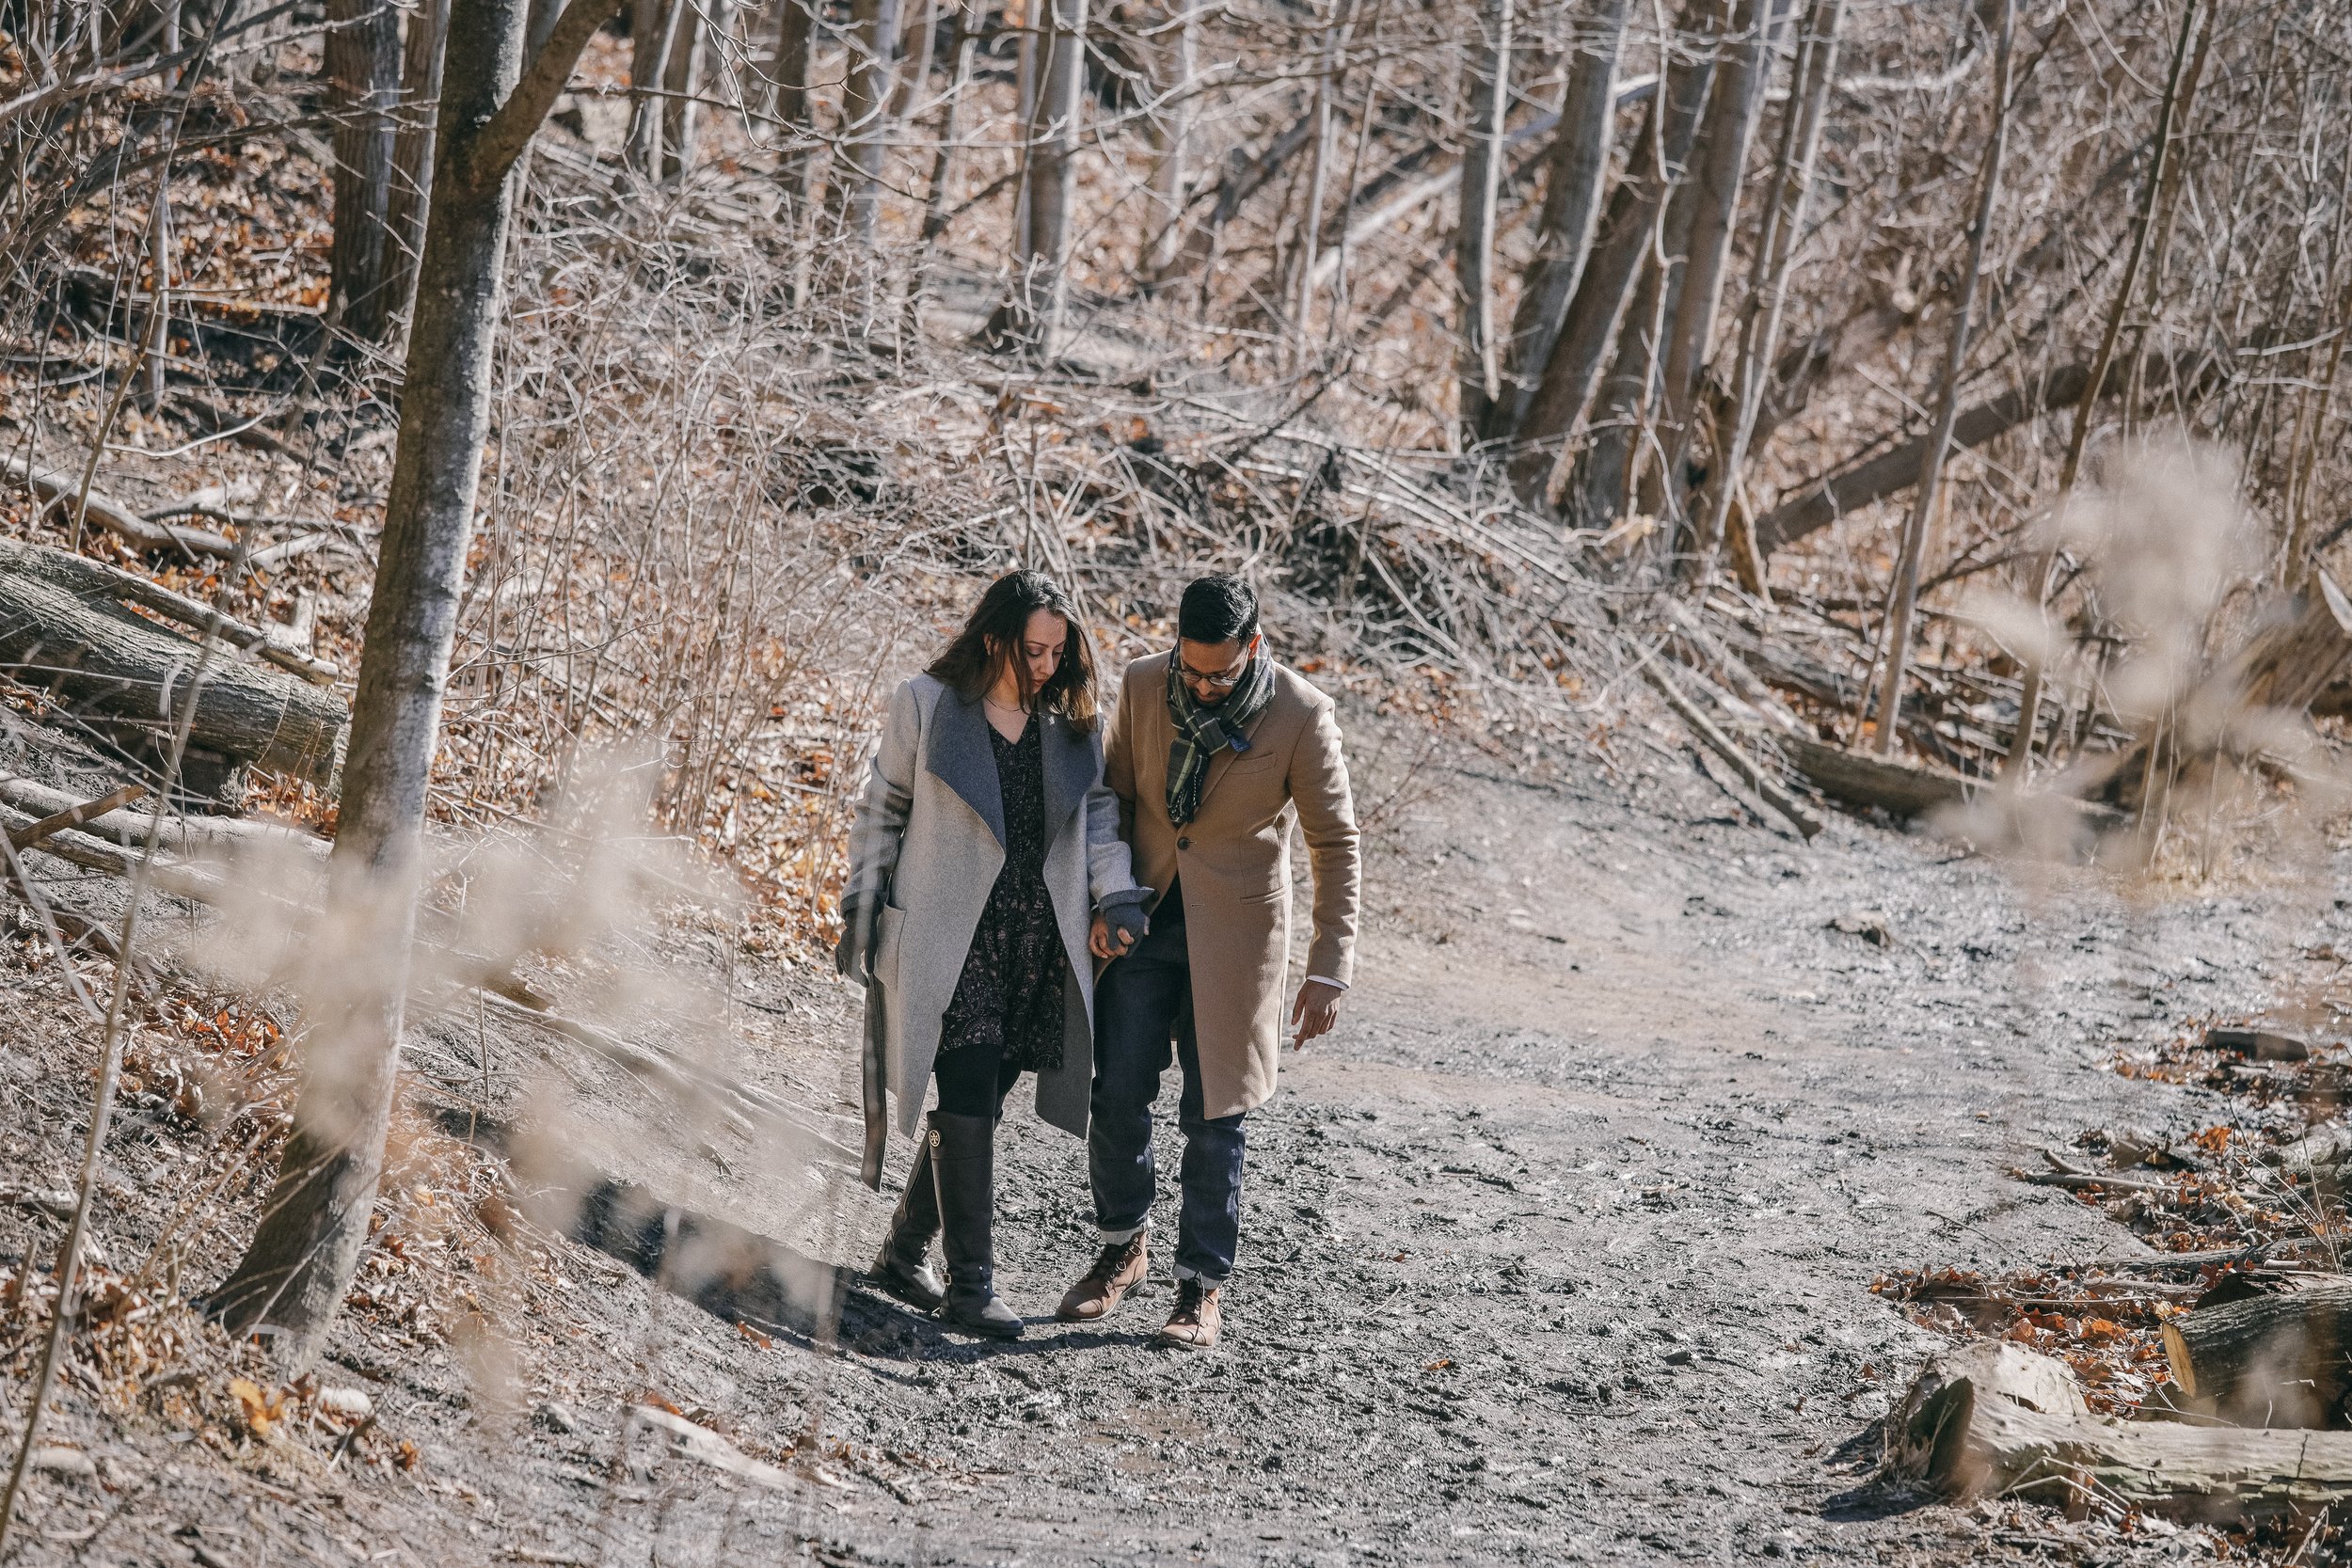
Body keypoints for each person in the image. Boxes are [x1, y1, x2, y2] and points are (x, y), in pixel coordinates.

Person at [835, 572, 1150, 1338]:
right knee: (969, 1081)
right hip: (952, 933)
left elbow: (1099, 816)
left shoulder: (1070, 722)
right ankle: (972, 1285)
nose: (1045, 664)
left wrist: (1117, 894)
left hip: (1037, 943)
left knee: (985, 1093)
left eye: (1056, 651)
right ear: (993, 635)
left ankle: (905, 1252)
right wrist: (860, 903)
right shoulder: (927, 704)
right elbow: (883, 807)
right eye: (1031, 648)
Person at [1057, 574, 1360, 1351]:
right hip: (1145, 917)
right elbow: (1115, 795)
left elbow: (1336, 844)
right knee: (1117, 1085)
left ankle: (1200, 1287)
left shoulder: (1302, 715)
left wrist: (1328, 966)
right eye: (1189, 668)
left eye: (1218, 674)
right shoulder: (1143, 684)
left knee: (1215, 1114)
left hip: (1240, 940)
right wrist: (1111, 893)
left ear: (1253, 647)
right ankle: (1123, 1245)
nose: (1199, 683)